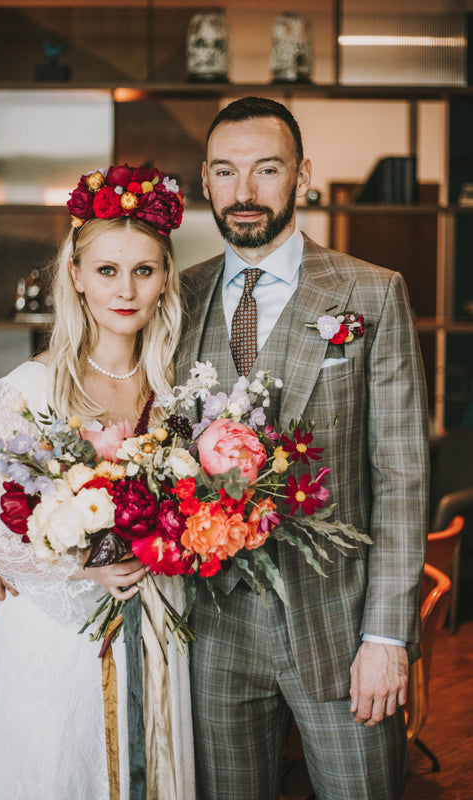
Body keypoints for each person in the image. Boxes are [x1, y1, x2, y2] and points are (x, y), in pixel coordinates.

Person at [175, 96, 429, 800]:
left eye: (265, 170)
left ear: (302, 175)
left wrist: (386, 638)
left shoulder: (370, 293)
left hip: (340, 629)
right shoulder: (178, 297)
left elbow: (401, 476)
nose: (245, 192)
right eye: (226, 172)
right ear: (205, 180)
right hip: (211, 632)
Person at [0, 164, 195, 800]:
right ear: (75, 275)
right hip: (54, 638)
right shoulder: (26, 392)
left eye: (144, 270)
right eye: (106, 270)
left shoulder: (179, 396)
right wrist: (85, 567)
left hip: (157, 627)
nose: (125, 289)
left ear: (164, 280)